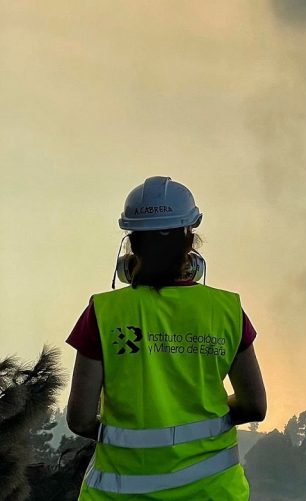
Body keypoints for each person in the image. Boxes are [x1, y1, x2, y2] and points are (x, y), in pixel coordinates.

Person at [66, 176, 266, 500]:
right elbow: (255, 406)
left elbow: (80, 419)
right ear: (190, 241)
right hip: (213, 493)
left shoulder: (103, 313)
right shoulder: (227, 310)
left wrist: (129, 438)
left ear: (131, 242)